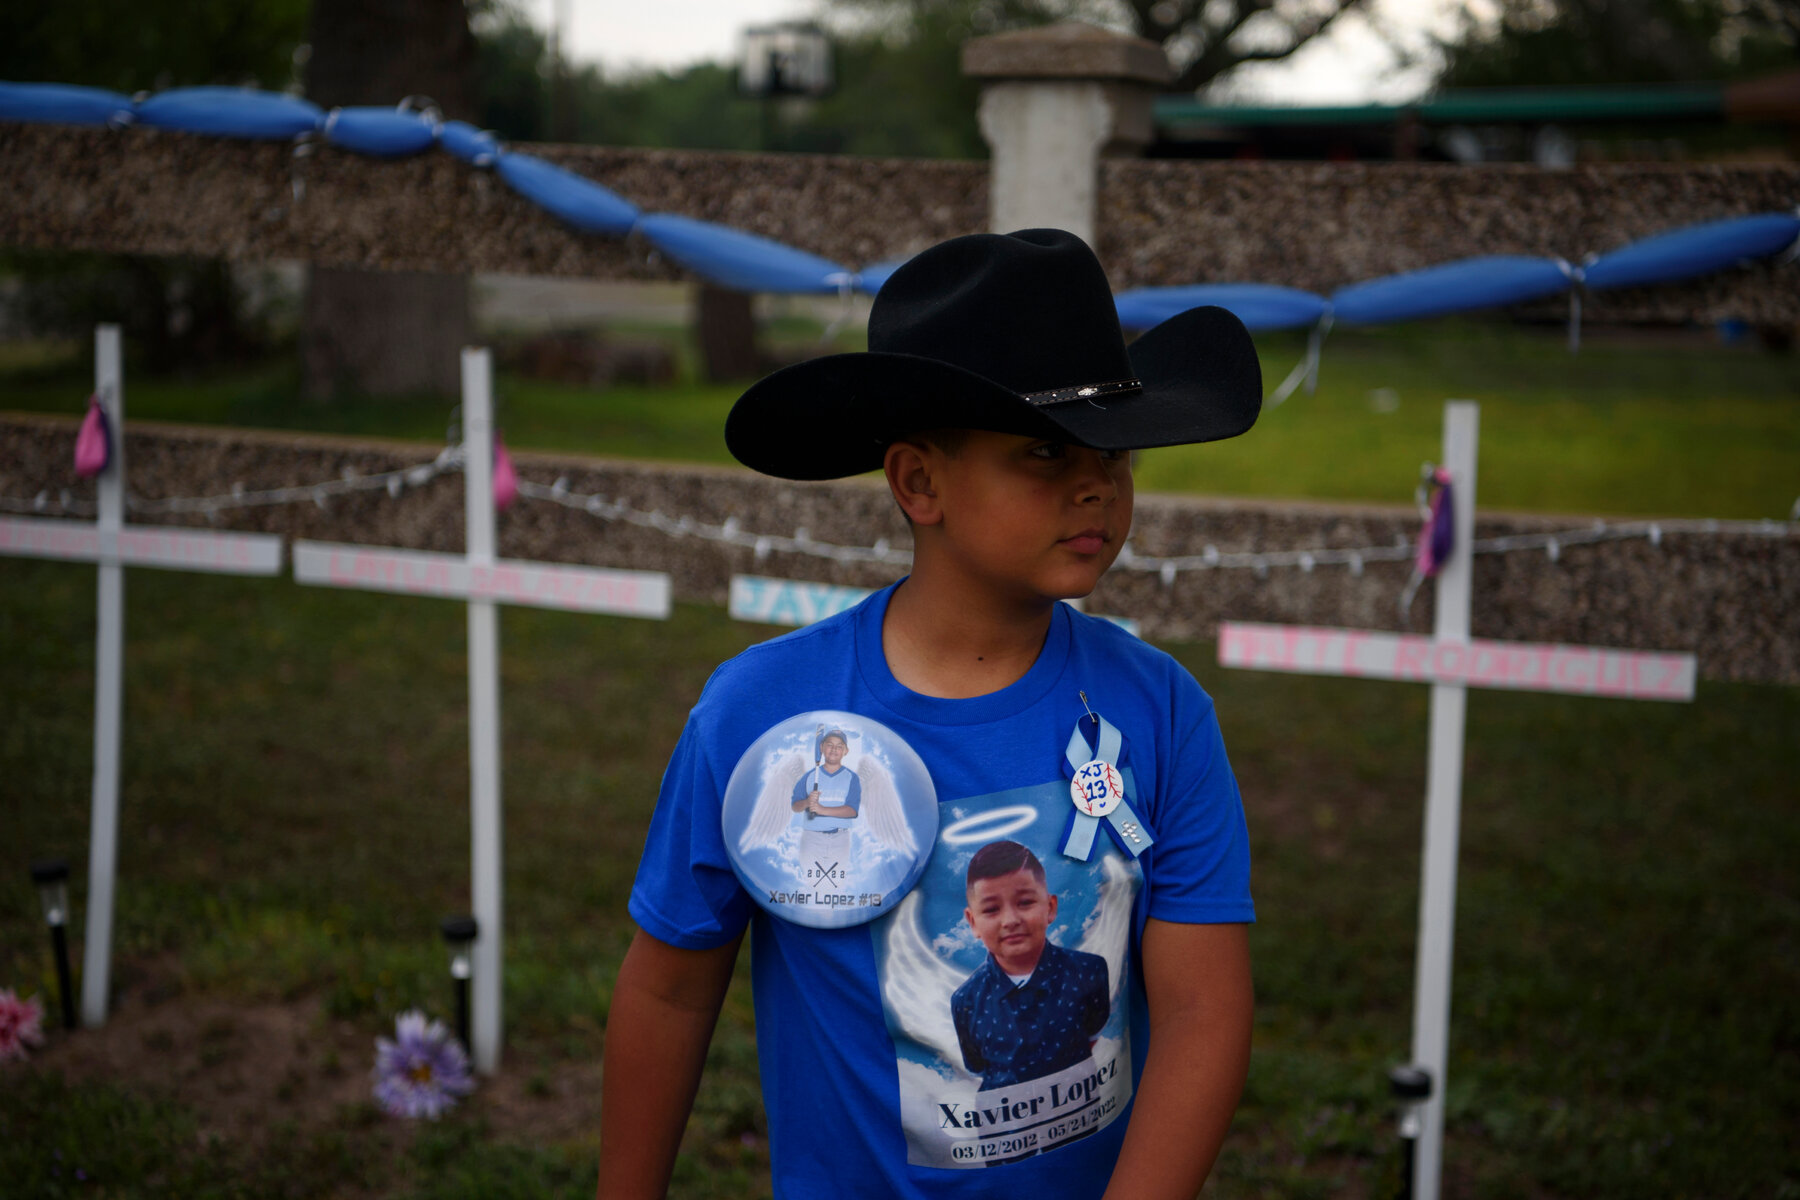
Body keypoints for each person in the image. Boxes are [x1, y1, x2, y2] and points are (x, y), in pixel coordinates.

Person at [599, 228, 1260, 1200]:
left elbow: (1205, 1014)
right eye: (1045, 450)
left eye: (1116, 453)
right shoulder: (762, 724)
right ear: (918, 482)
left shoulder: (1163, 713)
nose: (1098, 484)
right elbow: (666, 990)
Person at [952, 840, 1110, 1091]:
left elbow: (1093, 1031)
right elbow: (977, 1066)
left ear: (1050, 907)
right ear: (972, 922)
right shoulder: (966, 1001)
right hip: (1003, 1126)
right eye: (992, 909)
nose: (1010, 920)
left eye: (1024, 902)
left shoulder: (1089, 971)